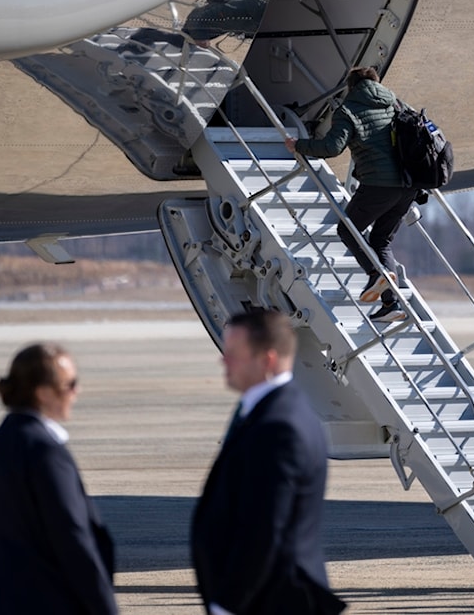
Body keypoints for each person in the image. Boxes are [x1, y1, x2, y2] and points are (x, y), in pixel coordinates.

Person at [191, 309, 346, 615]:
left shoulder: (280, 427)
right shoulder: (274, 409)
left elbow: (265, 530)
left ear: (268, 360)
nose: (224, 361)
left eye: (234, 353)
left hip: (271, 601)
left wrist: (227, 605)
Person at [0, 343, 118, 615]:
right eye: (70, 384)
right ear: (44, 393)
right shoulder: (46, 453)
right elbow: (73, 539)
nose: (76, 392)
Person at [285, 67, 418, 323]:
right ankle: (392, 304)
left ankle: (374, 275)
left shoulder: (347, 110)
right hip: (409, 186)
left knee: (348, 230)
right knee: (380, 241)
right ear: (375, 83)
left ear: (351, 86)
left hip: (379, 184)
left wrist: (299, 145)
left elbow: (332, 147)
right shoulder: (395, 103)